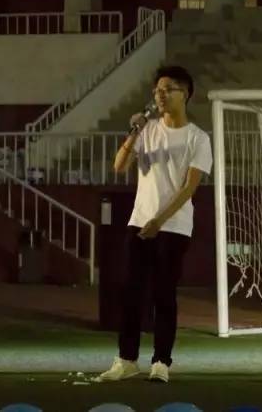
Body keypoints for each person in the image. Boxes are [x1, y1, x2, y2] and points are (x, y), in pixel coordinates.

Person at [98, 66, 212, 383]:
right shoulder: (146, 130)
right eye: (157, 90)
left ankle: (161, 361)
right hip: (139, 221)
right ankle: (126, 359)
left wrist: (159, 221)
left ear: (185, 94)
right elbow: (120, 166)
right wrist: (134, 132)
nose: (160, 95)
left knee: (163, 294)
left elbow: (189, 188)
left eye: (168, 89)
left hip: (173, 226)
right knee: (130, 292)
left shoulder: (198, 138)